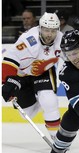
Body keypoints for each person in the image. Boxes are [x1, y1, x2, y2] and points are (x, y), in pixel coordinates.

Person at [2, 12, 63, 141]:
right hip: (22, 75)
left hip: (44, 72)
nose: (49, 34)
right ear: (40, 28)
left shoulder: (61, 40)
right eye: (46, 30)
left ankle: (58, 139)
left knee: (49, 101)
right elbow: (9, 60)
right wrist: (7, 82)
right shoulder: (28, 40)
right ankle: (38, 99)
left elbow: (74, 58)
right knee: (27, 114)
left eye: (53, 31)